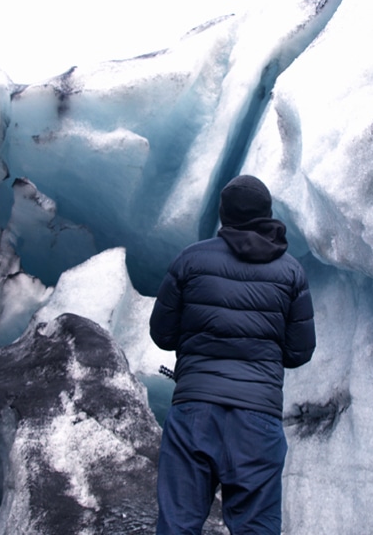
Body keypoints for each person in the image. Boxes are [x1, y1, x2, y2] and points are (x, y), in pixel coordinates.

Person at [150, 174, 316, 535]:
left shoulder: (190, 261)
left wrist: (199, 340)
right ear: (266, 214)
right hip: (258, 418)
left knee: (178, 526)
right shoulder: (291, 273)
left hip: (194, 410)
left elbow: (162, 334)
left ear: (223, 214)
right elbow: (300, 350)